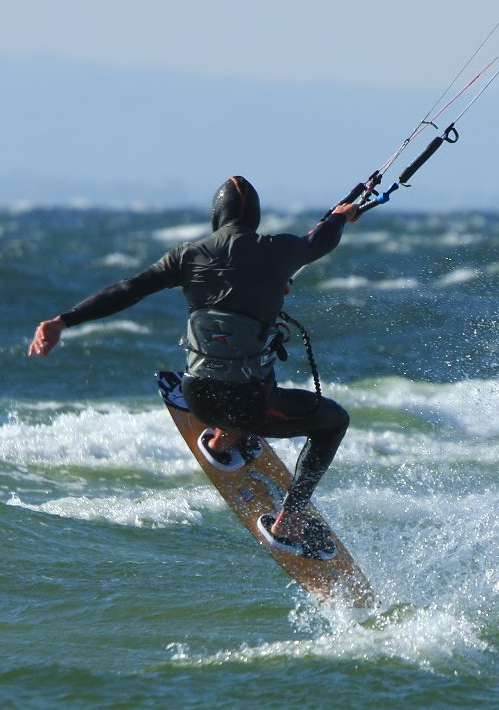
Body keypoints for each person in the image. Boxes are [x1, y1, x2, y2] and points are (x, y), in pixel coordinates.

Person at [29, 176, 358, 559]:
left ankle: (223, 438)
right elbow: (321, 240)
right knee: (333, 420)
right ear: (255, 218)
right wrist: (340, 217)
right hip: (250, 404)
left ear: (216, 218)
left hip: (196, 397)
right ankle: (290, 520)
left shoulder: (187, 255)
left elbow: (126, 289)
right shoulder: (280, 249)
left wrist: (62, 321)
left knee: (241, 357)